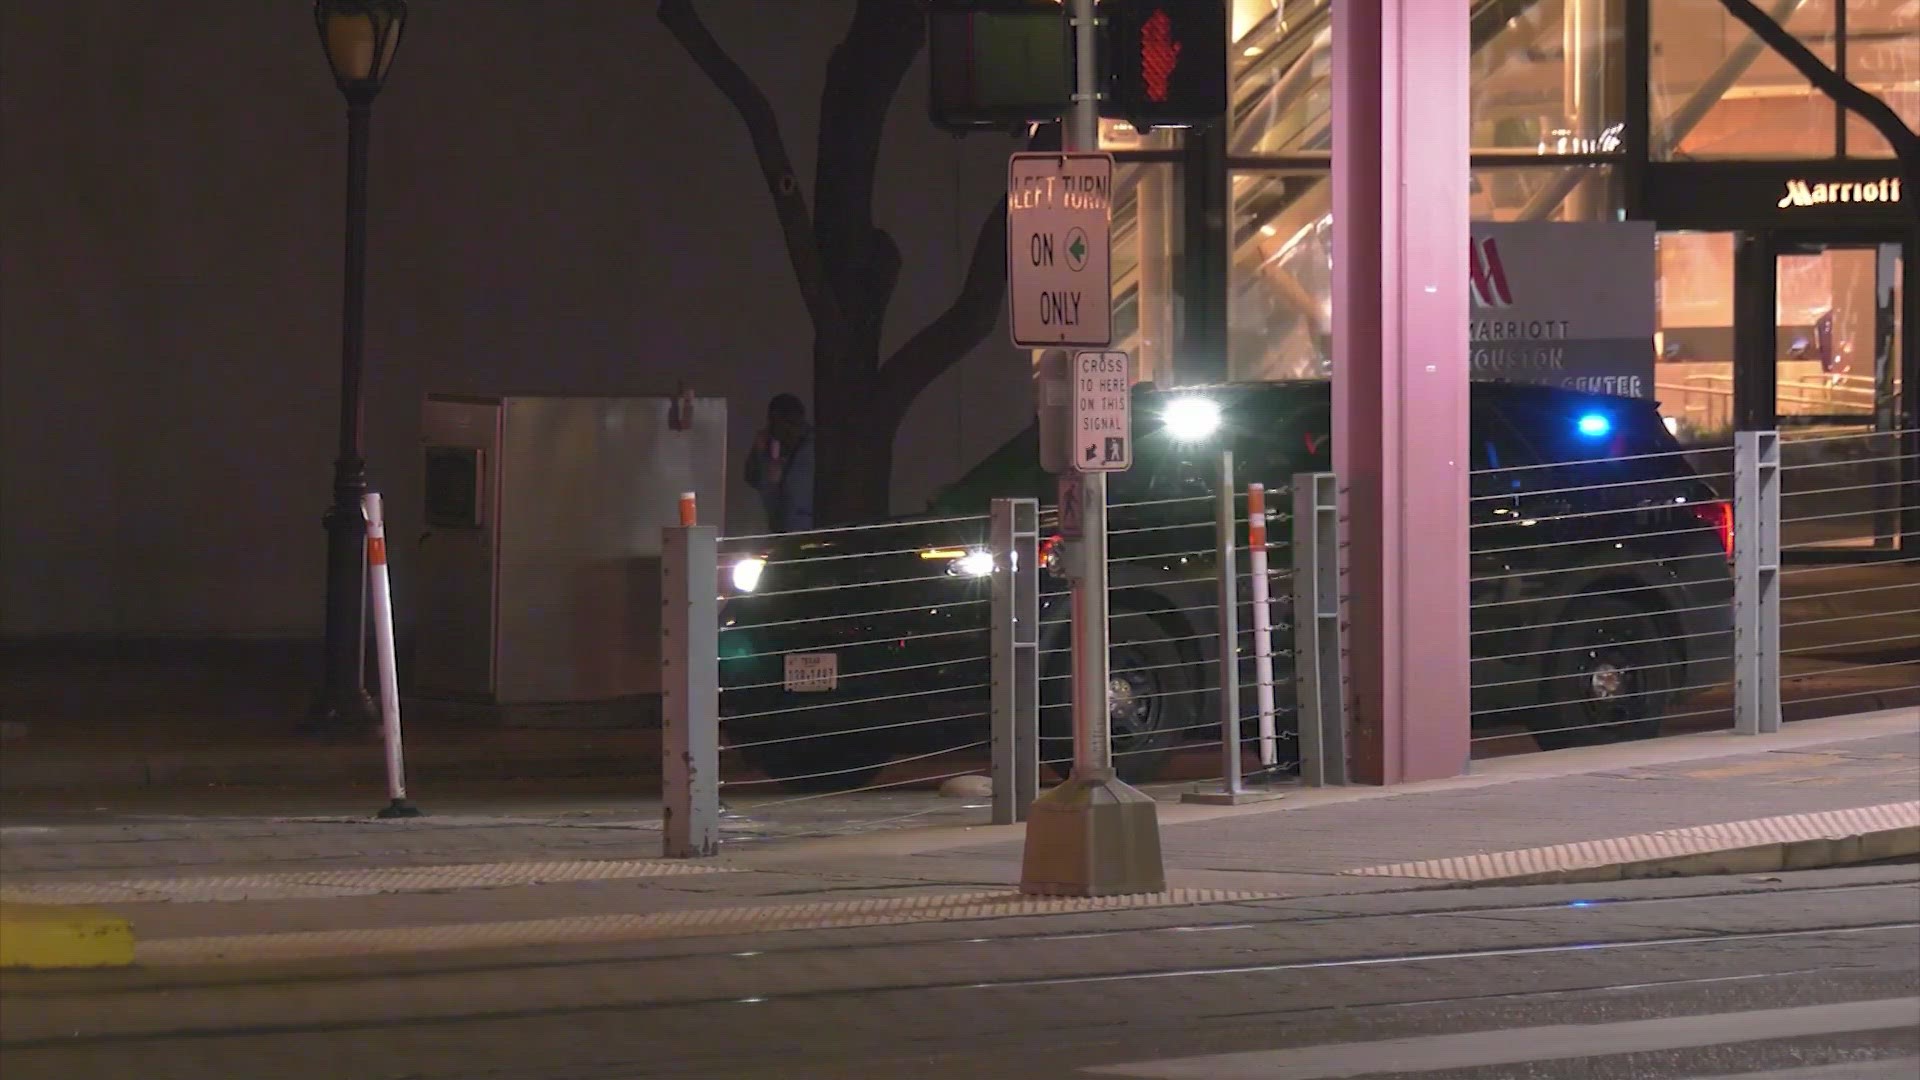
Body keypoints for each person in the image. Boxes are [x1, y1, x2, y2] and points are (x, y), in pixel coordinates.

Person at [744, 393, 815, 533]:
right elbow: (752, 477)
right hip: (782, 527)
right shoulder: (772, 447)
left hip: (803, 526)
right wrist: (759, 453)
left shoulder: (810, 450)